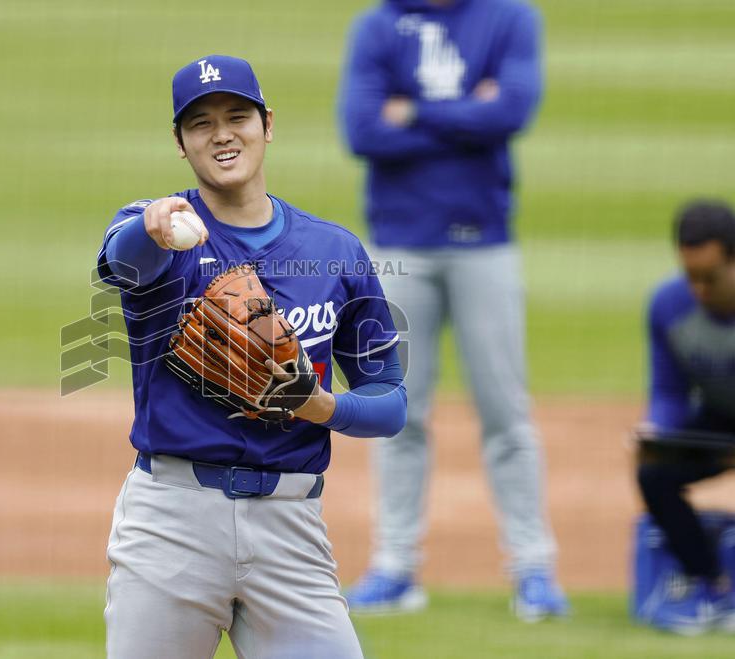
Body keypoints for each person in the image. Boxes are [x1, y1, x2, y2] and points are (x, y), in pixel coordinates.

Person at [97, 54, 407, 658]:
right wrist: (154, 225)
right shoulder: (158, 230)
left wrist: (322, 406)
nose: (221, 134)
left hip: (290, 528)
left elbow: (390, 401)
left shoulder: (336, 251)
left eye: (237, 116)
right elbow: (120, 260)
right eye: (200, 123)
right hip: (171, 523)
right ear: (180, 144)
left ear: (267, 124)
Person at [338, 0, 569, 621]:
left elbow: (512, 111)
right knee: (397, 409)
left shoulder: (509, 18)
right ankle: (394, 567)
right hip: (399, 244)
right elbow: (361, 130)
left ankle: (533, 568)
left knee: (505, 411)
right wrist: (471, 113)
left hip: (484, 244)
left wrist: (411, 110)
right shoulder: (379, 25)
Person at [636, 200, 735, 635]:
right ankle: (712, 583)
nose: (699, 290)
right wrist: (655, 430)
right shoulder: (668, 306)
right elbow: (670, 392)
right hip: (720, 421)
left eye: (710, 278)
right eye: (690, 276)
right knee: (654, 472)